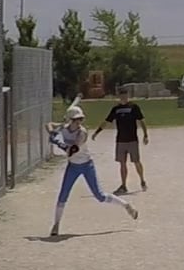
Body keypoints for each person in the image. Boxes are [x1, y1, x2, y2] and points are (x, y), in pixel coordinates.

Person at [47, 105, 135, 237]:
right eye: (75, 120)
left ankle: (126, 205)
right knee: (63, 195)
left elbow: (72, 150)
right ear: (69, 120)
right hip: (73, 166)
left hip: (87, 165)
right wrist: (52, 132)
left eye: (80, 119)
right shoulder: (64, 128)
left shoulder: (82, 132)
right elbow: (48, 125)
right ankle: (56, 224)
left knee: (100, 196)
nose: (78, 122)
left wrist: (58, 142)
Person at [92, 85, 148, 194]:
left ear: (128, 96)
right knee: (122, 163)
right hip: (120, 140)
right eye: (121, 95)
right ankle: (123, 185)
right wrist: (97, 132)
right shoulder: (116, 109)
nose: (123, 97)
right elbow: (107, 121)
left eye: (125, 95)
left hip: (132, 139)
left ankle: (142, 180)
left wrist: (145, 135)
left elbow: (141, 120)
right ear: (119, 96)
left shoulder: (134, 107)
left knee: (136, 161)